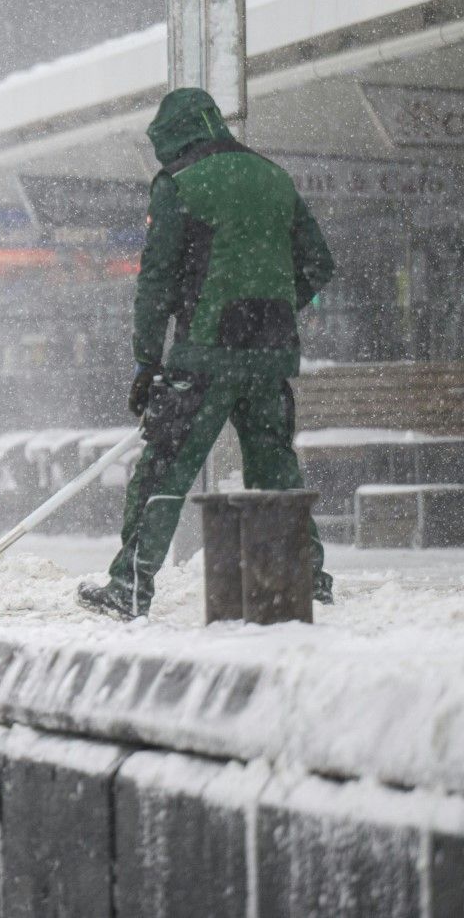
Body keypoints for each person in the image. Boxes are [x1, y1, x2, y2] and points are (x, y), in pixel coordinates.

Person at [78, 88, 335, 619]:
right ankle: (308, 580)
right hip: (270, 357)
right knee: (276, 468)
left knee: (164, 469)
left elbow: (156, 280)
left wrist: (147, 362)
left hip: (205, 355)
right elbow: (318, 262)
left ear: (171, 137)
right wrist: (275, 308)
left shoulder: (179, 183)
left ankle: (129, 586)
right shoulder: (274, 177)